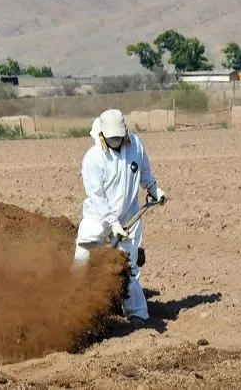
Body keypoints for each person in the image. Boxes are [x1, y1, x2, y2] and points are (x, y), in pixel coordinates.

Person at [72, 109, 166, 329]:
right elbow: (97, 196)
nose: (115, 140)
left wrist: (154, 189)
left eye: (118, 136)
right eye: (111, 137)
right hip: (99, 216)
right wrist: (112, 223)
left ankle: (137, 314)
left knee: (130, 265)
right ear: (102, 134)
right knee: (83, 256)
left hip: (130, 215)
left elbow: (144, 173)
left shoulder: (136, 146)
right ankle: (74, 304)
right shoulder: (94, 158)